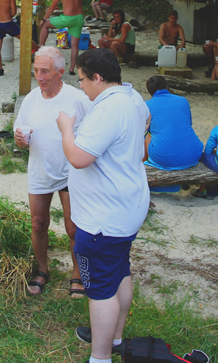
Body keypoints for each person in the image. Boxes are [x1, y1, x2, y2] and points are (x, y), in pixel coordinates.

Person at [57, 48, 149, 361]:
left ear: (97, 77)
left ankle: (100, 356)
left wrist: (66, 129)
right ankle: (116, 337)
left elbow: (79, 157)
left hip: (103, 219)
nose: (80, 85)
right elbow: (147, 118)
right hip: (127, 207)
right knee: (119, 271)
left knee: (100, 290)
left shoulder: (110, 111)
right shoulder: (131, 97)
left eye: (82, 79)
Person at [12, 47, 89, 297]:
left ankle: (77, 272)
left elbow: (93, 132)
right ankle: (42, 269)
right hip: (40, 170)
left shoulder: (77, 98)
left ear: (59, 72)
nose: (39, 76)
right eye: (36, 70)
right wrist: (20, 140)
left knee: (73, 227)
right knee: (37, 223)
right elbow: (19, 134)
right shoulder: (31, 99)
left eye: (44, 71)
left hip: (70, 172)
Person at [143, 75, 202, 172]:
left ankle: (144, 169)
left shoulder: (146, 105)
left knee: (148, 134)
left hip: (164, 159)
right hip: (193, 154)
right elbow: (188, 123)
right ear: (167, 87)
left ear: (150, 92)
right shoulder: (183, 101)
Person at [39, 0, 85, 73]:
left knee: (45, 25)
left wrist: (43, 19)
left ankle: (40, 49)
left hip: (67, 19)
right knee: (74, 45)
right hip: (79, 18)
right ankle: (72, 69)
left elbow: (51, 9)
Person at [0, 0, 21, 75]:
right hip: (8, 23)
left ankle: (0, 69)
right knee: (25, 38)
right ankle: (39, 49)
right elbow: (14, 12)